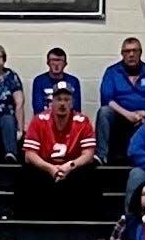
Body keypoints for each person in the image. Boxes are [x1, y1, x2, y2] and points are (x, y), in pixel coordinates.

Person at [21, 81, 98, 219]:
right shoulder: (39, 120)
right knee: (26, 173)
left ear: (72, 103)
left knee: (90, 173)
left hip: (71, 168)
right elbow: (29, 154)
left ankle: (86, 220)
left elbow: (88, 154)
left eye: (66, 99)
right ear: (52, 102)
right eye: (58, 99)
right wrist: (50, 168)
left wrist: (70, 166)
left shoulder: (83, 121)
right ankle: (28, 220)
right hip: (46, 167)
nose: (62, 103)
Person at [95, 37, 145, 164]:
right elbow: (107, 99)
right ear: (122, 54)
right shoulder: (112, 72)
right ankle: (102, 157)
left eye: (135, 50)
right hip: (120, 116)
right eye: (127, 51)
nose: (131, 54)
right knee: (104, 112)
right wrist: (128, 114)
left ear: (140, 52)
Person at [31, 47, 82, 116]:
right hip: (45, 121)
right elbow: (38, 109)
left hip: (68, 120)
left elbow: (76, 109)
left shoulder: (73, 81)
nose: (56, 64)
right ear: (48, 63)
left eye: (59, 61)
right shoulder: (39, 81)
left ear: (65, 64)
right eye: (53, 60)